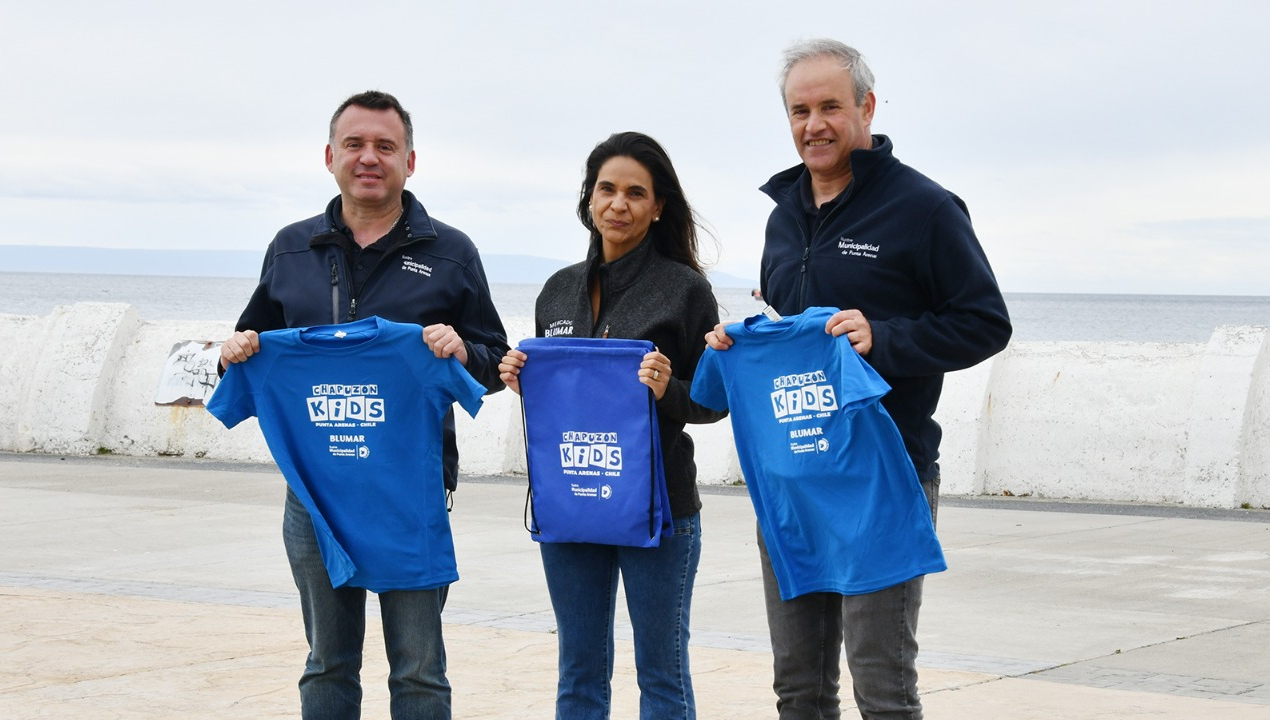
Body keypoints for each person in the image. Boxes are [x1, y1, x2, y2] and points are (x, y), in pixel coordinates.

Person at [706, 40, 1013, 720]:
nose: (814, 125)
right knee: (799, 691)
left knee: (884, 692)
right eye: (799, 111)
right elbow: (789, 328)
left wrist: (885, 338)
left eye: (830, 107)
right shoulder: (783, 219)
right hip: (795, 481)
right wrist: (741, 337)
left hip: (884, 480)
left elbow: (985, 323)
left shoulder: (925, 209)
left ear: (867, 107)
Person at [218, 90, 508, 720]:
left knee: (420, 671)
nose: (368, 157)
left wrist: (463, 351)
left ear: (410, 161)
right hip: (314, 496)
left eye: (385, 146)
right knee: (327, 662)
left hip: (412, 492)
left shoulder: (451, 252)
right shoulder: (290, 248)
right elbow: (252, 343)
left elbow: (495, 362)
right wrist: (233, 351)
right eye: (354, 144)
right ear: (330, 157)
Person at [498, 131, 727, 720]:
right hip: (570, 501)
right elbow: (563, 400)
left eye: (635, 193)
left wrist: (666, 389)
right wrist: (524, 379)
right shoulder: (556, 291)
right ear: (589, 198)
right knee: (578, 673)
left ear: (658, 207)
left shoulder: (685, 291)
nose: (618, 204)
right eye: (606, 189)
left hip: (659, 509)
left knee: (662, 675)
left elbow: (714, 401)